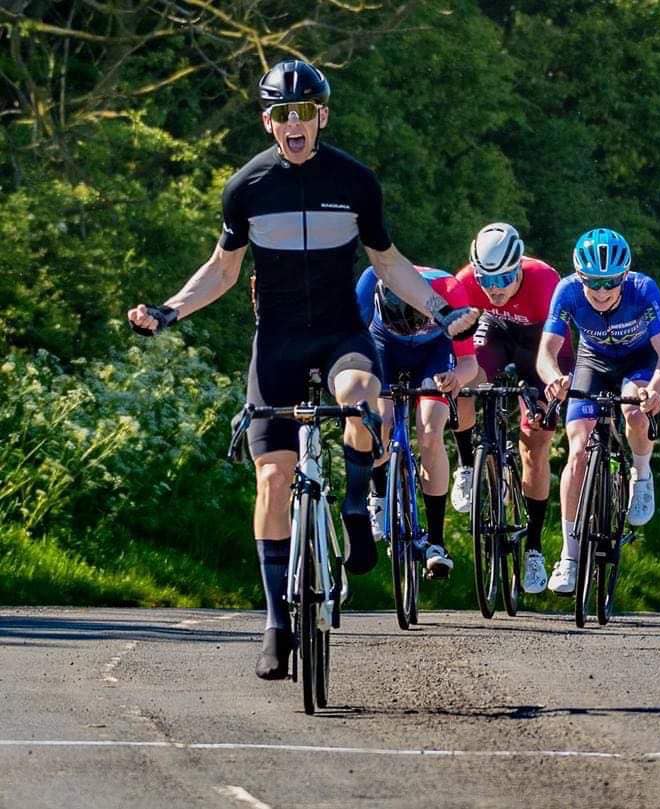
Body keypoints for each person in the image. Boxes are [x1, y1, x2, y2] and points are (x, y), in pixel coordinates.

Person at [127, 60, 474, 680]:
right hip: (278, 344)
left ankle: (353, 505)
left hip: (341, 334)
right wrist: (170, 310)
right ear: (267, 121)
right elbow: (223, 271)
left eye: (305, 111)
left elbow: (389, 263)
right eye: (282, 114)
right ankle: (276, 623)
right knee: (272, 477)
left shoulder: (355, 180)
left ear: (322, 116)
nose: (295, 123)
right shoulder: (247, 187)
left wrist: (441, 309)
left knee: (362, 394)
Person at [537, 228, 660, 594]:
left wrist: (655, 390)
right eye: (593, 283)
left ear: (624, 276)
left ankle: (641, 475)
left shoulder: (644, 289)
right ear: (579, 276)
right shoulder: (566, 291)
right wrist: (553, 378)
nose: (601, 292)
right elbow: (547, 352)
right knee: (578, 450)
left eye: (610, 283)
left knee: (634, 411)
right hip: (593, 361)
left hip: (639, 361)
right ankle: (568, 557)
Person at [450, 223, 573, 594]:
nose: (495, 287)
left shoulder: (545, 281)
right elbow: (456, 343)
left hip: (541, 342)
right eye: (486, 279)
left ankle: (534, 547)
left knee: (535, 443)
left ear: (519, 266)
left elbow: (556, 347)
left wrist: (546, 391)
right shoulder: (466, 282)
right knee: (465, 384)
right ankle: (467, 464)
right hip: (495, 332)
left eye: (504, 277)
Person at [356, 265, 478, 577]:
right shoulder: (372, 279)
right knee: (378, 419)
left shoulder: (449, 291)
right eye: (403, 324)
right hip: (383, 346)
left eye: (416, 323)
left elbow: (468, 363)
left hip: (433, 352)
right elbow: (352, 342)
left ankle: (436, 541)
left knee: (430, 429)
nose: (410, 329)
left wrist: (455, 380)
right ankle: (378, 496)